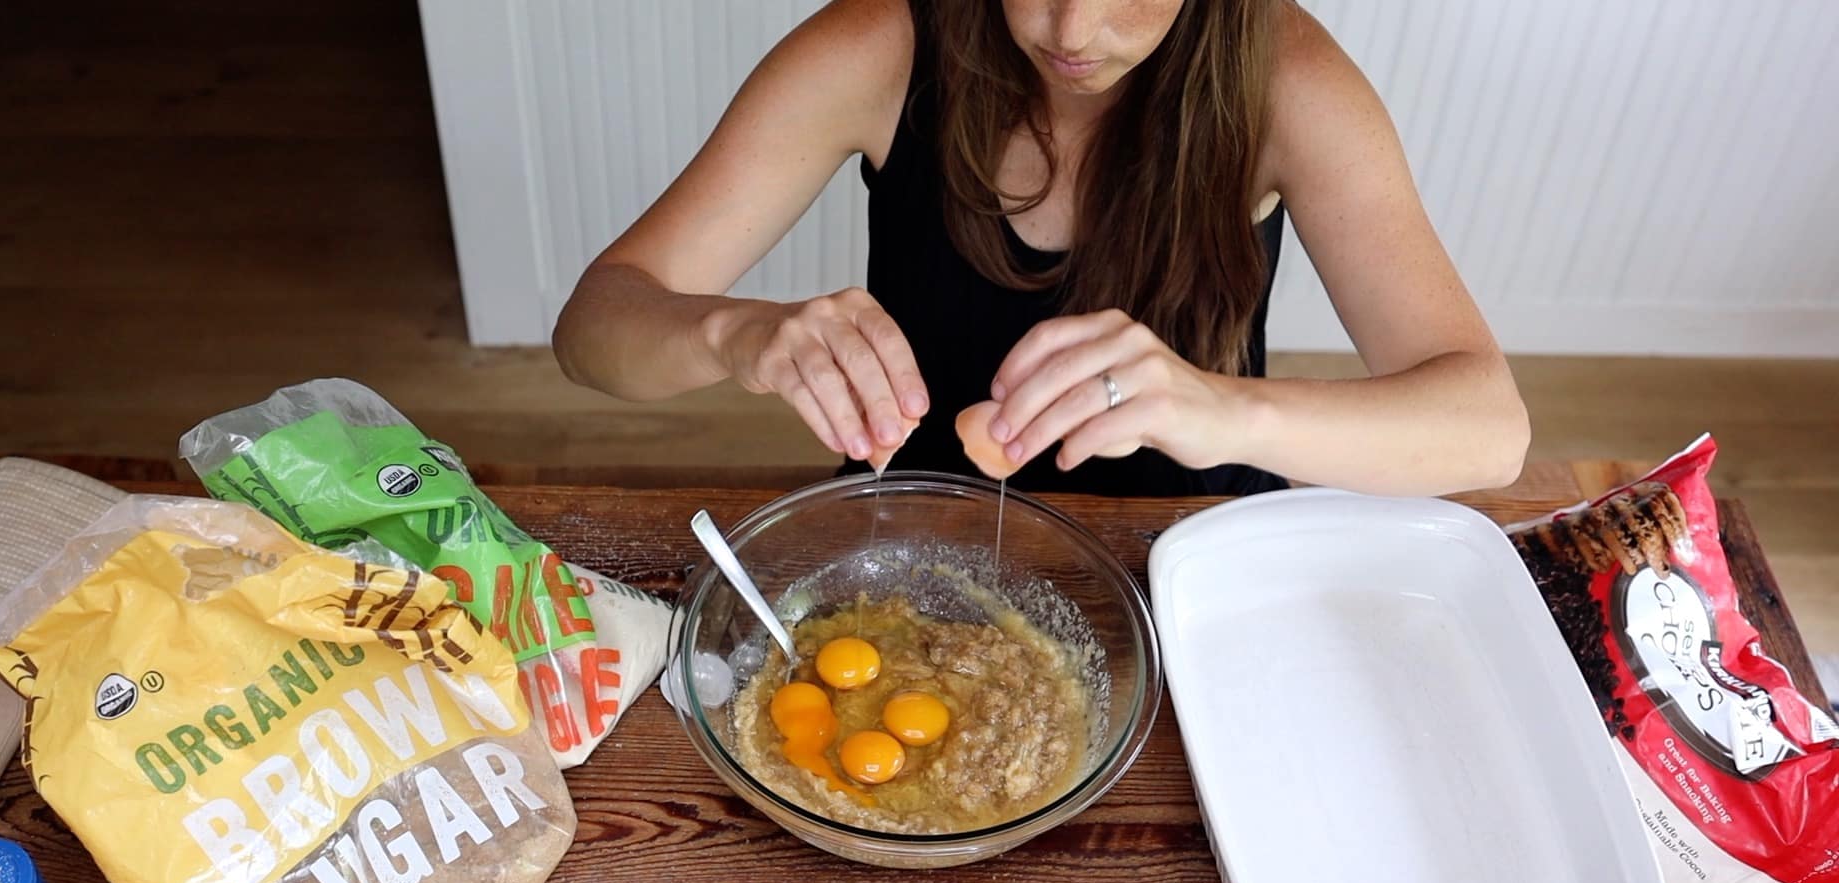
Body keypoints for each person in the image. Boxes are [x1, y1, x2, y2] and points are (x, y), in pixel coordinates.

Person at [551, 0, 1529, 497]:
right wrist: (732, 333)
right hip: (918, 535)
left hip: (1181, 551)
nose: (1069, 30)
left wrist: (1222, 409)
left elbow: (1488, 428)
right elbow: (595, 323)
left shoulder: (1288, 81)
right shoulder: (879, 44)